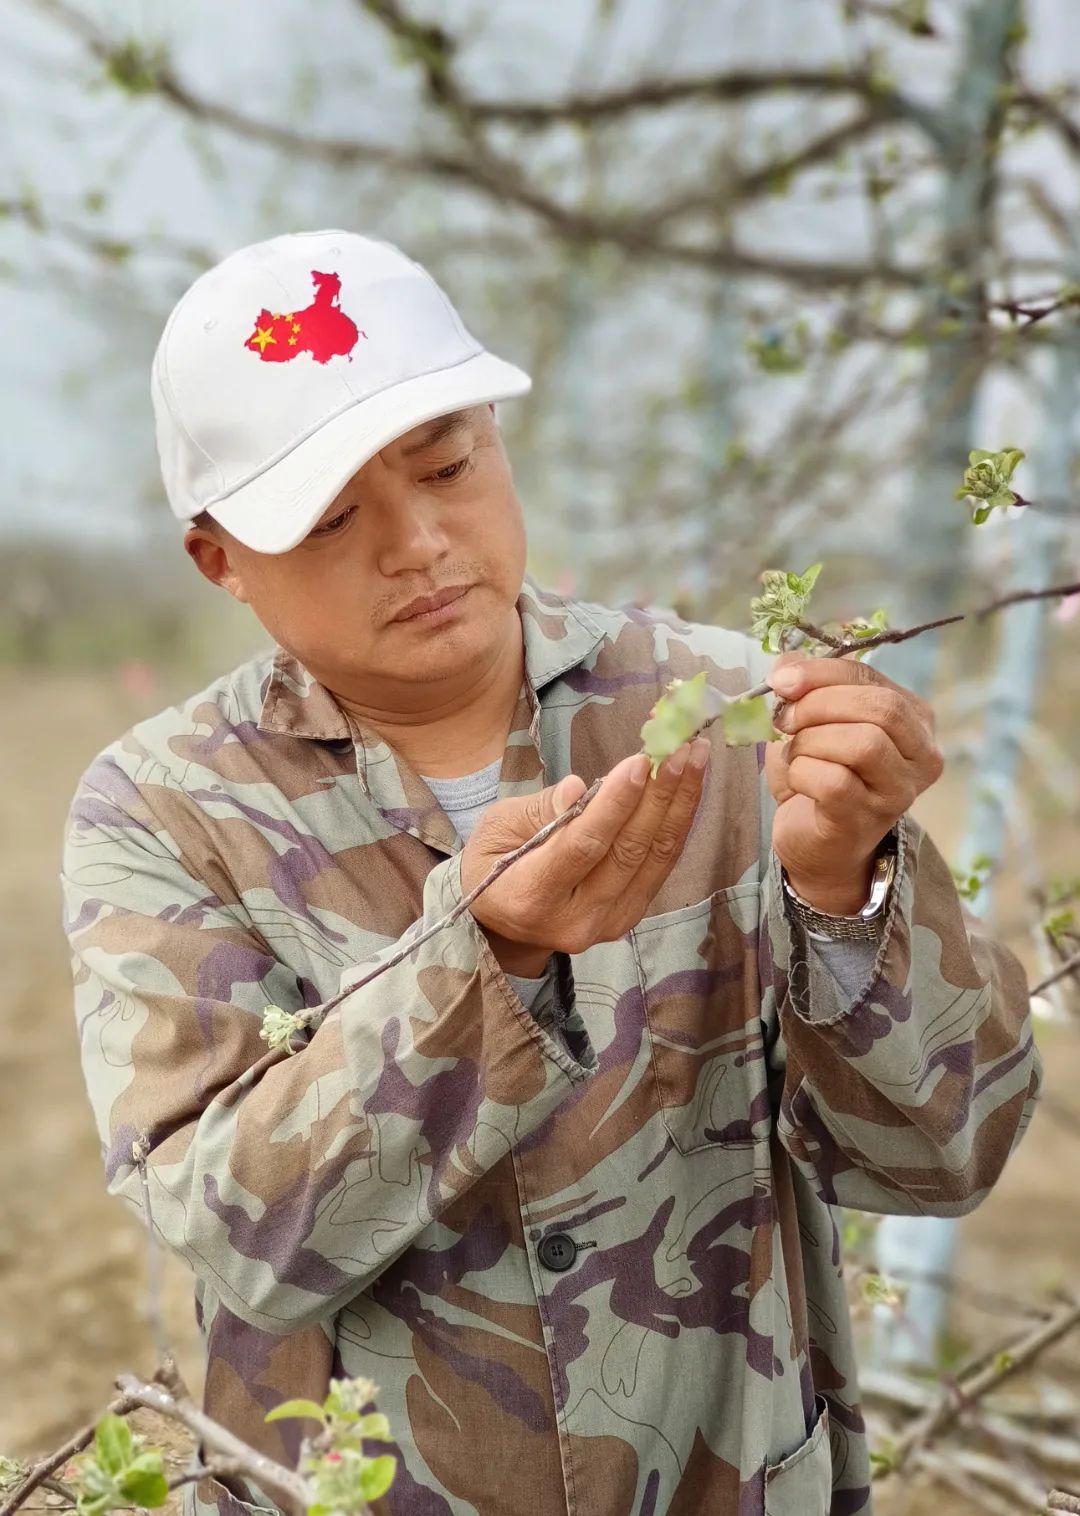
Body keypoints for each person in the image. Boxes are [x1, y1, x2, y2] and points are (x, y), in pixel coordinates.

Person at [61, 229, 1040, 1516]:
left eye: (449, 463)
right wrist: (486, 961)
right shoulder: (167, 808)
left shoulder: (732, 720)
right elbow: (242, 1233)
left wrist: (848, 895)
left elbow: (946, 1157)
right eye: (336, 514)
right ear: (220, 559)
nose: (418, 541)